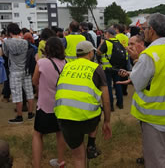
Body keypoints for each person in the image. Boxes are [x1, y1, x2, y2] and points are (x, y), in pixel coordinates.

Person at [129, 13, 165, 168]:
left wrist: (136, 60)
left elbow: (137, 82)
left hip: (155, 120)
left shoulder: (148, 55)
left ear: (152, 30)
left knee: (158, 162)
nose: (144, 32)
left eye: (145, 28)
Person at [54, 41, 112, 168]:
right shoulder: (96, 68)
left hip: (64, 116)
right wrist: (107, 121)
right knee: (97, 108)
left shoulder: (66, 67)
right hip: (88, 118)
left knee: (78, 156)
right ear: (90, 53)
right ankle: (91, 144)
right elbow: (106, 100)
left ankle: (88, 148)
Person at [32, 37, 66, 168]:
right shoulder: (66, 63)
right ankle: (61, 161)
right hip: (61, 105)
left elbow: (35, 81)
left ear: (47, 49)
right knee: (60, 132)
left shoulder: (42, 62)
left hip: (45, 106)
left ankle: (36, 165)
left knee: (37, 134)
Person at [2, 23, 34, 124]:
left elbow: (6, 54)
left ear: (10, 32)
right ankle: (30, 114)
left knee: (17, 94)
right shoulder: (25, 42)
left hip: (15, 70)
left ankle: (19, 116)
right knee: (29, 92)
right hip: (26, 70)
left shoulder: (6, 43)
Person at [97, 28, 123, 111]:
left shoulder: (107, 42)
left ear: (108, 34)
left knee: (108, 87)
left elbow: (98, 52)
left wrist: (101, 44)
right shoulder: (118, 42)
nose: (105, 34)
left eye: (106, 33)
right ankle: (120, 103)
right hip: (117, 67)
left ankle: (110, 106)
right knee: (118, 84)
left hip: (107, 68)